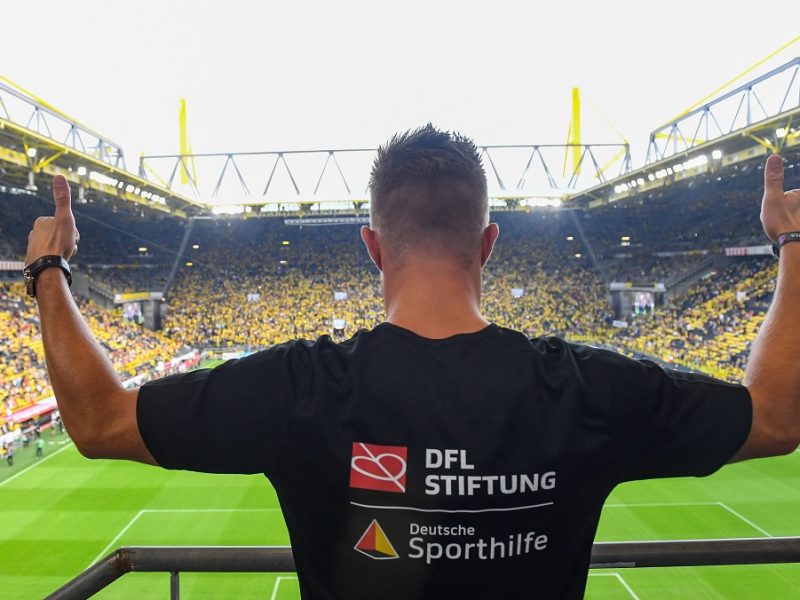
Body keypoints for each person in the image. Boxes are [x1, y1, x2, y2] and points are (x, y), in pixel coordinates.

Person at [24, 125, 800, 599]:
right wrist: (793, 246)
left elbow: (97, 420)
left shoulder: (300, 387)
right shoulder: (587, 388)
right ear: (488, 245)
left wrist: (49, 274)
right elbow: (773, 415)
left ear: (372, 247)